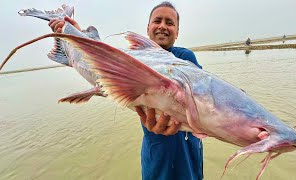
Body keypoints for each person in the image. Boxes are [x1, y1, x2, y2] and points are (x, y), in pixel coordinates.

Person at [48, 2, 203, 180]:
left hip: (188, 155)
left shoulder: (184, 58)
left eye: (169, 23)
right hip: (156, 152)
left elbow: (197, 100)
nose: (162, 26)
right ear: (148, 28)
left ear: (177, 32)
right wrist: (77, 36)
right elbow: (108, 80)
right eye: (157, 21)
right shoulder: (129, 58)